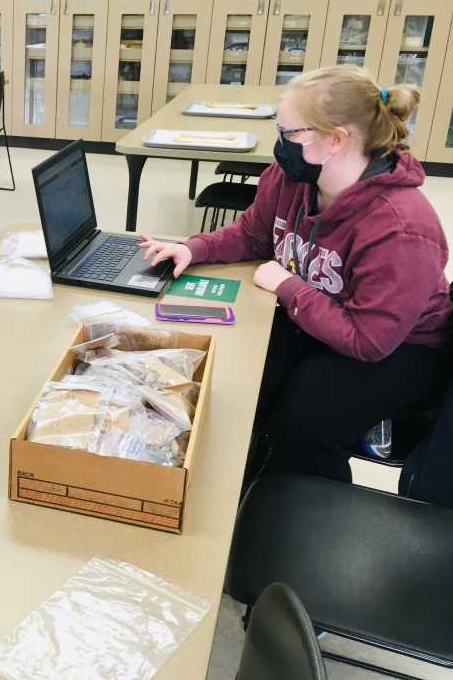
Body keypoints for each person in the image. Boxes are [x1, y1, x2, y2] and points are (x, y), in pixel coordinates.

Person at [140, 65, 452, 483]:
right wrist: (193, 248)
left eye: (290, 133)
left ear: (336, 140)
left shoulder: (401, 228)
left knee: (302, 428)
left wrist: (289, 287)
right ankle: (239, 482)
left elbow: (369, 340)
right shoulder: (290, 179)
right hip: (321, 317)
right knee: (238, 385)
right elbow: (251, 234)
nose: (279, 144)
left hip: (398, 349)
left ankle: (301, 514)